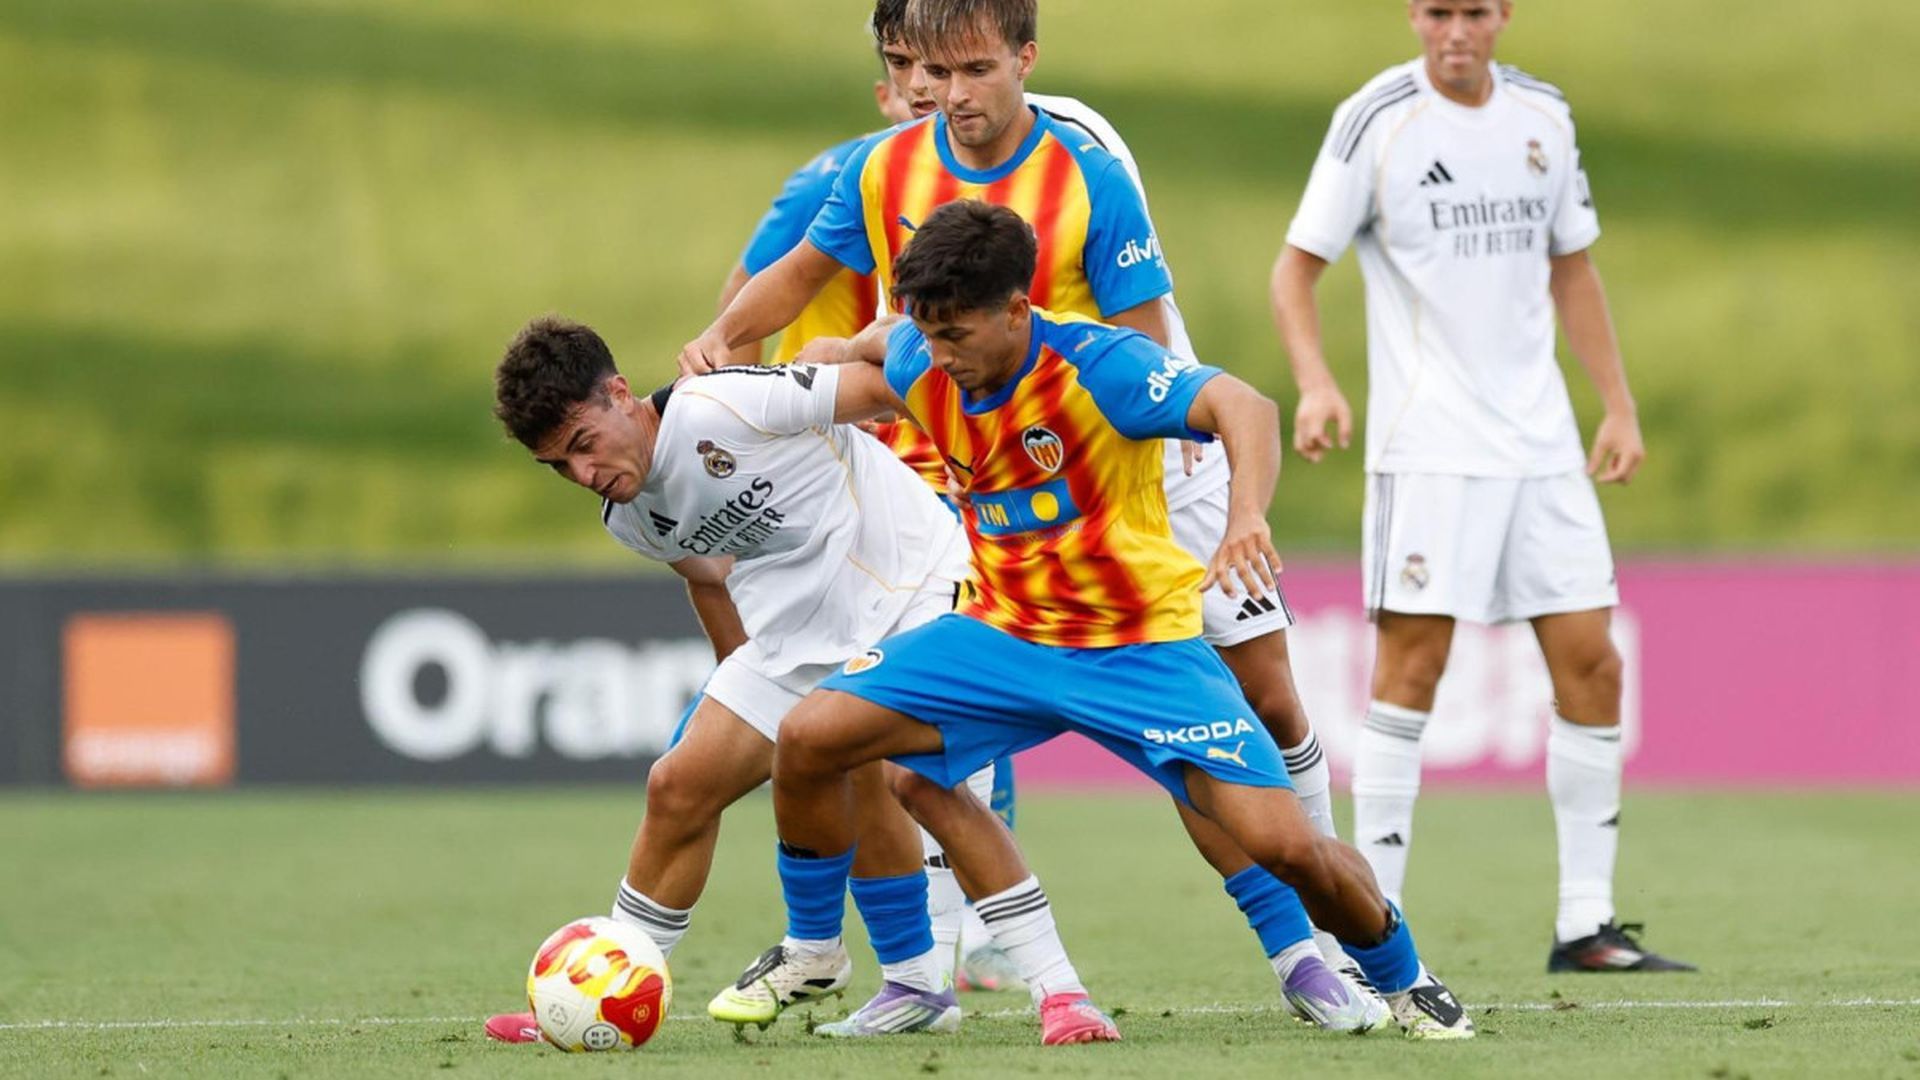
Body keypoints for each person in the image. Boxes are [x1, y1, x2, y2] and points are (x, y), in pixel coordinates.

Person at [686, 0, 1374, 1026]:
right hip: (976, 486)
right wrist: (718, 346)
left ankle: (1322, 943)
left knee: (1256, 705)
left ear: (1020, 60)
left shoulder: (1083, 162)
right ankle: (935, 969)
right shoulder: (879, 168)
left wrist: (1208, 488)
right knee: (911, 740)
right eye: (918, 67)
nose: (939, 90)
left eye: (963, 68)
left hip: (1128, 467)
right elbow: (803, 275)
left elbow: (1151, 345)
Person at [779, 198, 1475, 1039]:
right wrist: (825, 350)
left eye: (956, 335)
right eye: (927, 334)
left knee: (1286, 847)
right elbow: (879, 339)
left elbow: (1245, 406)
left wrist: (1244, 515)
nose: (939, 355)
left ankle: (1403, 974)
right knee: (813, 736)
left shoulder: (1099, 365)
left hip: (1139, 649)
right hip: (1001, 636)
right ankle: (823, 952)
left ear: (1016, 311)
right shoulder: (921, 355)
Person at [481, 316, 1121, 1045]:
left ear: (621, 396)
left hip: (910, 593)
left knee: (893, 779)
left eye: (583, 446)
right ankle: (606, 983)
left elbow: (890, 388)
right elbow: (708, 578)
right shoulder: (630, 517)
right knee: (678, 784)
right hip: (798, 640)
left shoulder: (725, 406)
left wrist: (986, 476)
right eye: (558, 466)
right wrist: (741, 694)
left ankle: (1047, 993)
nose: (583, 475)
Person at [1268, 0, 1692, 973]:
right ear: (1415, 17)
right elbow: (1295, 272)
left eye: (1474, 10)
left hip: (1542, 446)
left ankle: (1586, 922)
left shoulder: (1544, 116)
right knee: (1411, 669)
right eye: (1436, 10)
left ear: (1503, 15)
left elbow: (1572, 268)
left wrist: (1615, 405)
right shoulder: (1376, 118)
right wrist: (1318, 382)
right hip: (1431, 446)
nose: (1454, 29)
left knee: (1594, 665)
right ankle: (1373, 923)